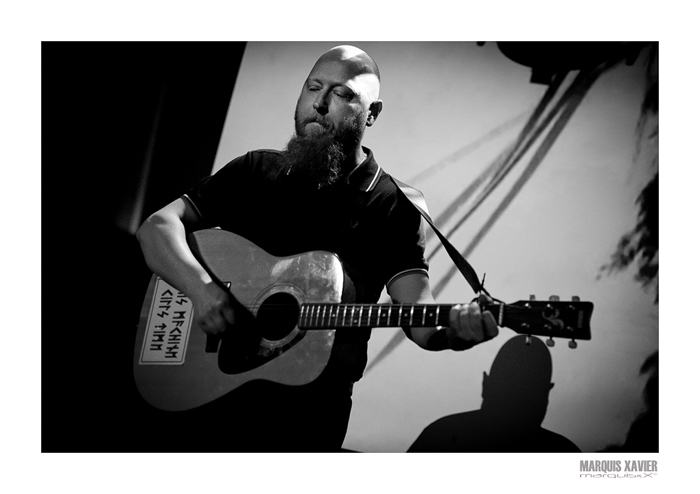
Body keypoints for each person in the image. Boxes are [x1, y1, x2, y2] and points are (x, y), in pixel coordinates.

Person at [136, 45, 499, 452]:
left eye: (343, 95)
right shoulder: (255, 170)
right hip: (206, 394)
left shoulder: (395, 204)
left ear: (372, 114)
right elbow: (157, 227)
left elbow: (422, 319)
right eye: (313, 87)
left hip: (305, 417)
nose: (320, 105)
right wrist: (201, 289)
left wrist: (457, 332)